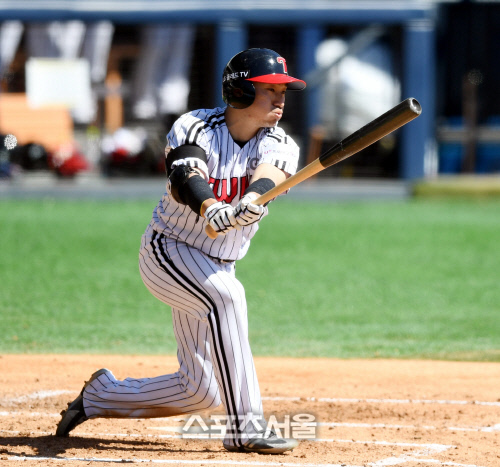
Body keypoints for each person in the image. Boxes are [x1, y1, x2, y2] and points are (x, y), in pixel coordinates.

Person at [55, 48, 306, 454]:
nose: (280, 98)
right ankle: (246, 427)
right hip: (168, 250)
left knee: (200, 391)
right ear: (240, 91)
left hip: (217, 264)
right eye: (268, 90)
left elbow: (269, 174)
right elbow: (186, 174)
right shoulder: (195, 125)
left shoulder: (281, 143)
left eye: (283, 90)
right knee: (228, 298)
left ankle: (101, 395)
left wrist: (252, 202)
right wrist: (212, 207)